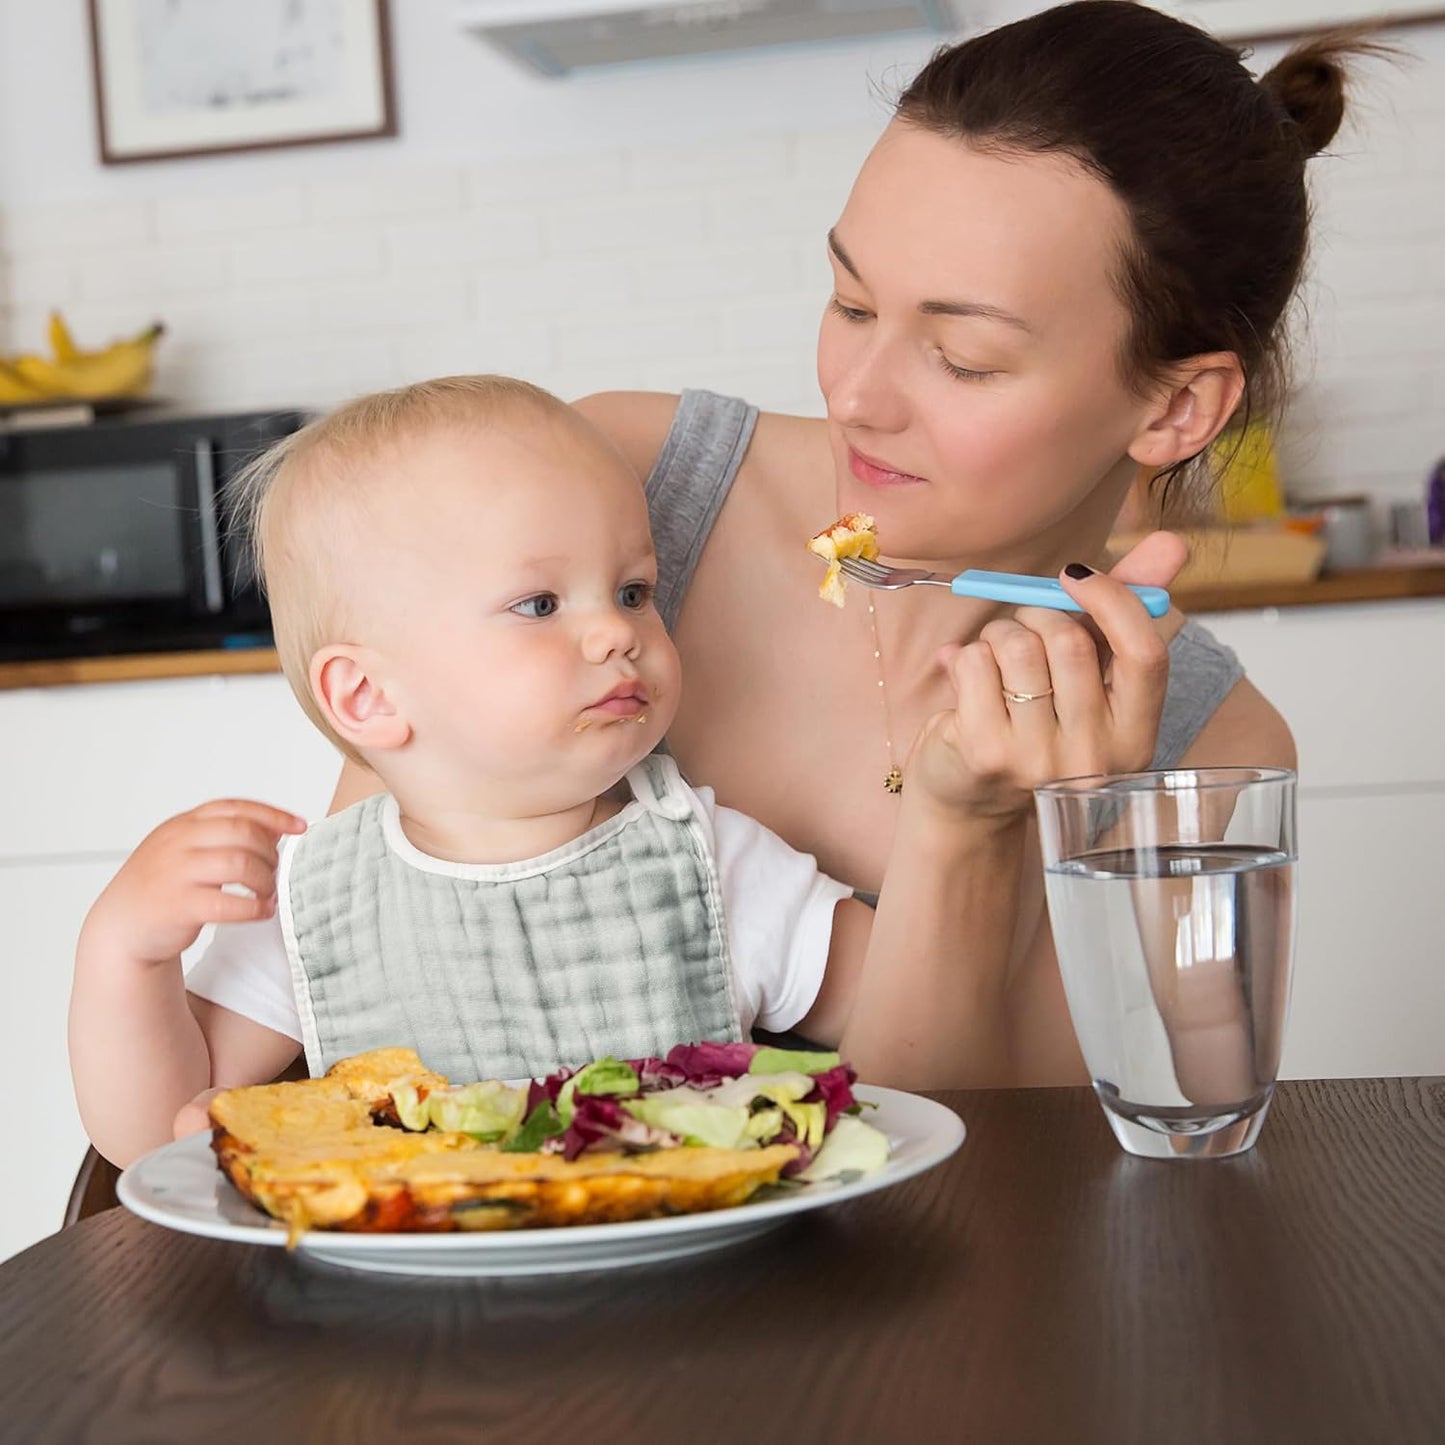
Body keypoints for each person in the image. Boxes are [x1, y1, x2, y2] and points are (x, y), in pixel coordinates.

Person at [319, 3, 1372, 1089]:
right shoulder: (615, 494)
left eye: (962, 357)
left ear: (1176, 408)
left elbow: (1025, 1198)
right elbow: (356, 954)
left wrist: (976, 831)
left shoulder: (1196, 754)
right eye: (850, 302)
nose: (856, 397)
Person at [72, 374, 1015, 1167]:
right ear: (366, 698)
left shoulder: (708, 863)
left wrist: (962, 819)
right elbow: (157, 1138)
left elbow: (903, 1052)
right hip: (416, 1333)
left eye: (634, 590)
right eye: (537, 603)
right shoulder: (315, 900)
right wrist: (124, 952)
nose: (619, 630)